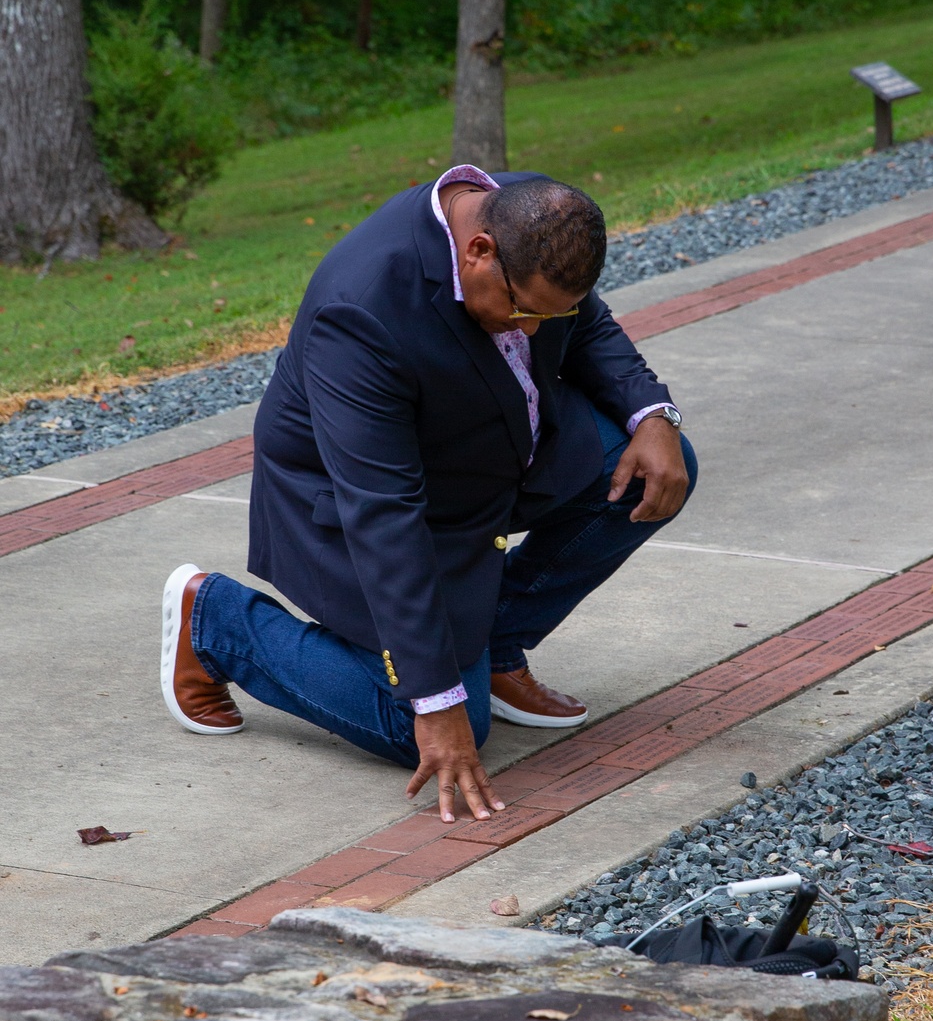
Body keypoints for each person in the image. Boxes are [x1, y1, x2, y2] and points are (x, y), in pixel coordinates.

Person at [161, 167, 697, 823]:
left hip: (489, 457)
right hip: (361, 504)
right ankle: (218, 622)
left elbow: (585, 323)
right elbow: (384, 513)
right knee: (422, 718)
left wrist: (652, 414)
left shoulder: (530, 214)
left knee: (656, 466)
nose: (530, 331)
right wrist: (437, 702)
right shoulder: (360, 310)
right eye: (522, 311)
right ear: (478, 252)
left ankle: (492, 643)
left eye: (544, 315)